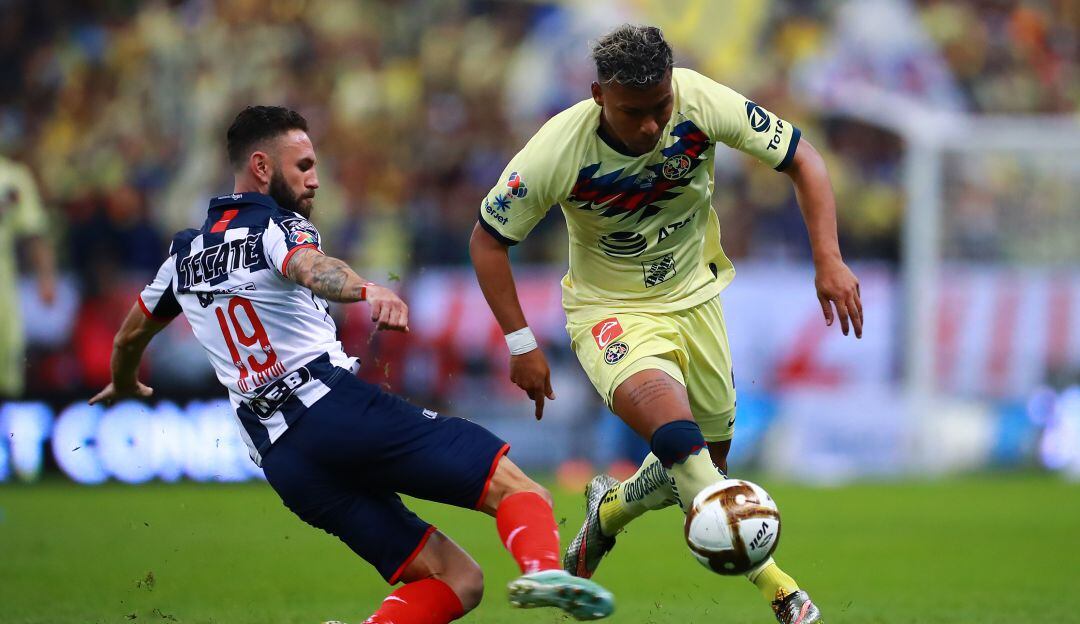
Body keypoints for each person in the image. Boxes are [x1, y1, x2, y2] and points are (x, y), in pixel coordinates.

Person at [89, 106, 614, 624]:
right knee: (518, 488)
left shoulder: (181, 257)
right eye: (303, 166)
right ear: (261, 167)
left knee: (456, 579)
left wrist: (123, 382)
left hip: (284, 461)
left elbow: (130, 336)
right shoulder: (276, 227)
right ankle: (545, 571)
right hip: (331, 410)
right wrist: (367, 289)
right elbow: (311, 267)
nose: (315, 180)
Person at [469, 25, 863, 624]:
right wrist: (521, 343)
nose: (653, 126)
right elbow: (488, 241)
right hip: (610, 312)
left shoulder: (701, 100)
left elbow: (803, 159)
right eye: (635, 113)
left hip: (696, 299)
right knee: (681, 443)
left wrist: (828, 258)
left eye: (661, 107)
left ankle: (609, 512)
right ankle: (780, 589)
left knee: (704, 469)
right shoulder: (556, 150)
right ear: (599, 95)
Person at [0, 153, 56, 398]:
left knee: (8, 361)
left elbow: (34, 232)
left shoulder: (12, 177)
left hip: (3, 286)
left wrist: (46, 277)